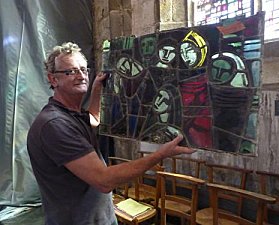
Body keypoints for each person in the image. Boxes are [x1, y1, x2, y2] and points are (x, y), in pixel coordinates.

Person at [27, 42, 195, 225]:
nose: (81, 76)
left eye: (83, 69)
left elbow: (93, 120)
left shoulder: (73, 114)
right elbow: (104, 180)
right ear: (53, 79)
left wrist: (97, 89)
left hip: (101, 218)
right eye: (70, 72)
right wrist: (161, 154)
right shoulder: (54, 124)